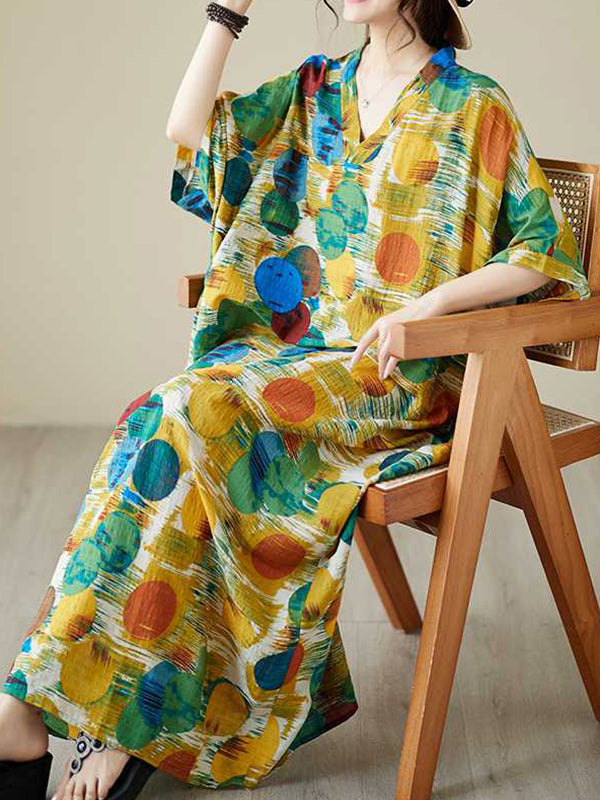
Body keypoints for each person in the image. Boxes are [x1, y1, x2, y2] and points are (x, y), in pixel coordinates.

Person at [0, 1, 591, 799]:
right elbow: (188, 131)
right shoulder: (316, 90)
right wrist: (228, 11)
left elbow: (542, 253)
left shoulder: (472, 104)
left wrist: (428, 308)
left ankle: (102, 720)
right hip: (291, 368)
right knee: (163, 418)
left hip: (394, 383)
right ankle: (53, 707)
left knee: (190, 416)